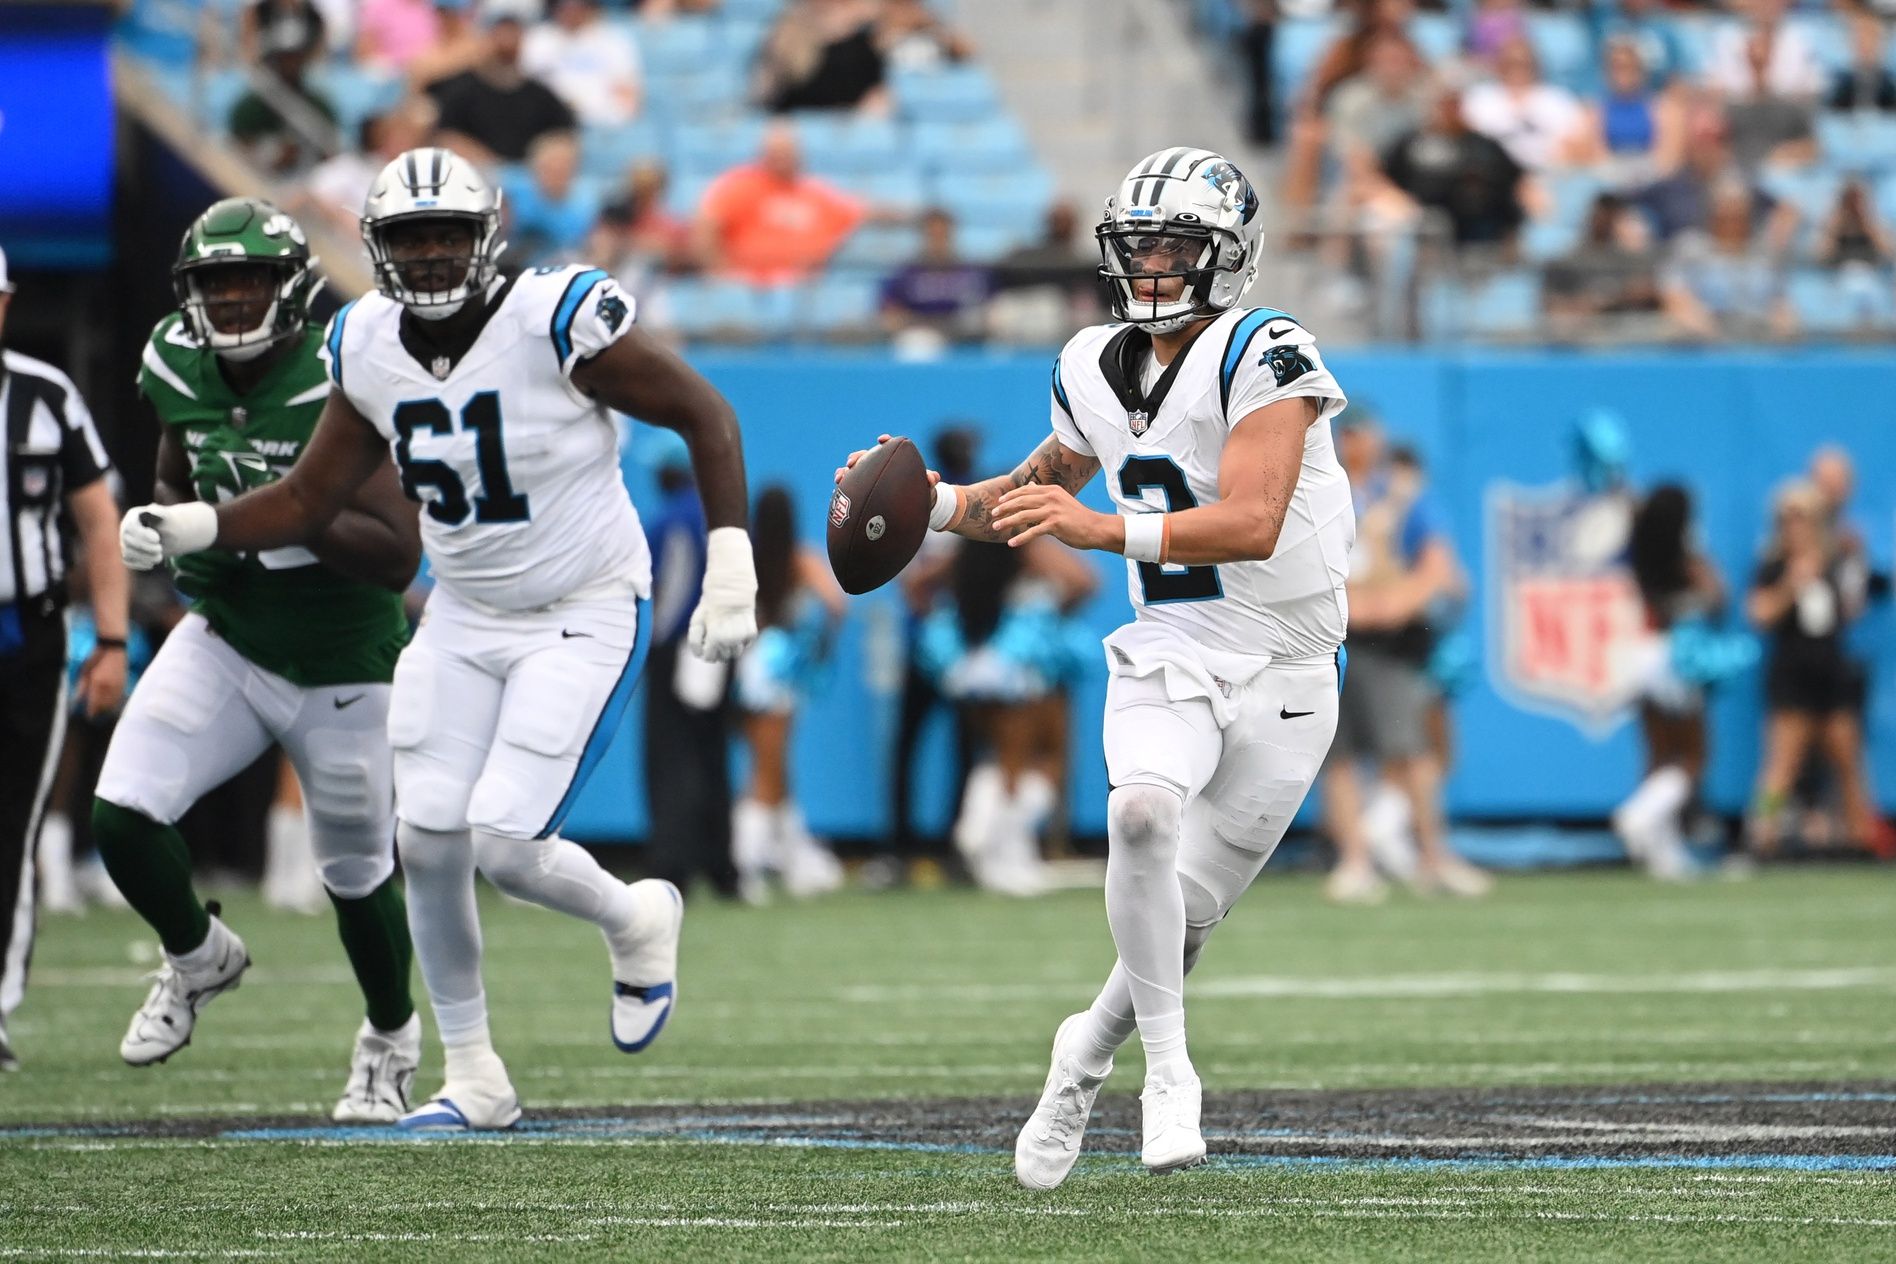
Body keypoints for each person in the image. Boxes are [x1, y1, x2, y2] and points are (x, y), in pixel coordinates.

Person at [119, 147, 759, 1131]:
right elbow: (308, 497)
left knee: (504, 841)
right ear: (375, 247)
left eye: (444, 235)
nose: (425, 256)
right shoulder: (365, 340)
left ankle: (636, 915)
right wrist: (199, 525)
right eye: (407, 238)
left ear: (486, 235)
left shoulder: (555, 317)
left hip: (582, 603)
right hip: (462, 608)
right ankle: (474, 1075)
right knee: (426, 837)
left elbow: (705, 413)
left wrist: (729, 561)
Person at [839, 147, 1351, 1185]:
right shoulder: (1088, 363)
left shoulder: (1267, 350)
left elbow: (1252, 523)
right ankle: (1169, 1071)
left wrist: (1101, 530)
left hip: (1291, 667)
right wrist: (931, 502)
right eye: (1142, 244)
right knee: (1140, 817)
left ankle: (1081, 1056)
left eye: (1177, 246)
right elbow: (1032, 493)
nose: (1154, 265)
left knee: (1188, 921)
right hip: (1171, 645)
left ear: (1230, 255)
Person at [89, 200, 422, 1116]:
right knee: (121, 813)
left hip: (344, 657)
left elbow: (397, 553)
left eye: (251, 281)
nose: (232, 299)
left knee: (356, 878)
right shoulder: (174, 360)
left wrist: (275, 519)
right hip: (232, 631)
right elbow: (174, 472)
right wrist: (166, 528)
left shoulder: (341, 369)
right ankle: (199, 957)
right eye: (215, 284)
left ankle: (391, 1037)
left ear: (293, 288)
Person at [0, 244, 130, 1071]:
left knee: (10, 826)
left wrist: (111, 640)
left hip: (25, 636)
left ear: (7, 302)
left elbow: (99, 524)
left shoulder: (43, 396)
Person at [1321, 412, 1490, 904]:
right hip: (1333, 634)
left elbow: (1439, 566)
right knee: (1339, 755)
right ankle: (1355, 859)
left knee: (1411, 747)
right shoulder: (1318, 491)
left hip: (1391, 641)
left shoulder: (1400, 497)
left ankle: (1433, 854)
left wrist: (1394, 605)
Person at [919, 532, 1095, 897]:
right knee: (1043, 762)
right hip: (1023, 669)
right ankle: (987, 839)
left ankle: (999, 845)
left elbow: (917, 587)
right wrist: (1050, 611)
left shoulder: (964, 546)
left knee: (1000, 760)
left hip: (972, 667)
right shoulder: (1026, 545)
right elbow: (1082, 581)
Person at [1746, 481, 1888, 858]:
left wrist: (1853, 561)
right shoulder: (1773, 565)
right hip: (1792, 674)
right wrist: (1792, 582)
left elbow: (1851, 609)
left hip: (1830, 670)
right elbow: (1759, 614)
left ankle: (1863, 838)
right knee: (1781, 764)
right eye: (1789, 521)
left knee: (1848, 761)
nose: (1797, 529)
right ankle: (1761, 836)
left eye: (1804, 520)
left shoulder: (1835, 564)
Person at [1613, 484, 1738, 879]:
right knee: (1694, 755)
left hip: (1640, 650)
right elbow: (1717, 598)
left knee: (1658, 754)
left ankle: (1664, 854)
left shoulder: (1640, 545)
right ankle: (1640, 813)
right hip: (1678, 652)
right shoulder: (1686, 558)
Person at [730, 486, 846, 901]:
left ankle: (790, 858)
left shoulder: (745, 556)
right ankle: (744, 866)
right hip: (779, 670)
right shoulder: (800, 557)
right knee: (767, 771)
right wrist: (817, 646)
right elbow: (836, 604)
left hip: (746, 663)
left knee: (770, 767)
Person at [639, 443, 738, 899]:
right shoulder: (719, 515)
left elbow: (667, 593)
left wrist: (649, 645)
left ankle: (673, 864)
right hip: (721, 644)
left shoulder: (669, 520)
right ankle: (721, 867)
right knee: (712, 757)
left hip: (679, 645)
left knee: (671, 758)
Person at [693, 123, 866, 284]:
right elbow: (705, 230)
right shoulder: (738, 186)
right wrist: (725, 277)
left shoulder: (816, 193)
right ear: (762, 154)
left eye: (788, 152)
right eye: (776, 153)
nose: (782, 159)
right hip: (748, 289)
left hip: (803, 290)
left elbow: (858, 213)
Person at [428, 12, 576, 166]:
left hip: (527, 177)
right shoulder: (461, 89)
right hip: (474, 172)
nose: (506, 43)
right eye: (500, 36)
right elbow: (445, 132)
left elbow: (563, 132)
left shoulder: (540, 95)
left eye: (513, 37)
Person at [522, 0, 643, 128]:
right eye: (565, 7)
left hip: (601, 125)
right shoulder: (538, 38)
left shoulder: (612, 39)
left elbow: (628, 94)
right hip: (551, 124)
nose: (571, 12)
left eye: (577, 6)